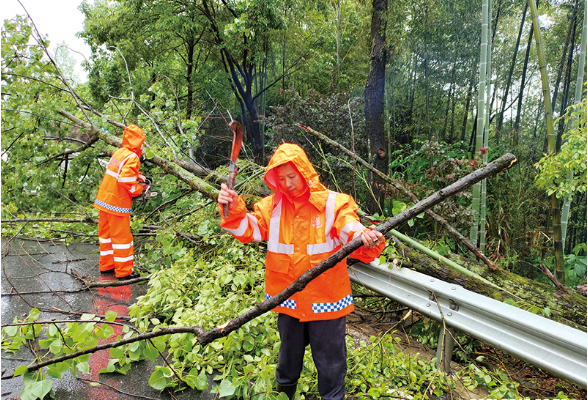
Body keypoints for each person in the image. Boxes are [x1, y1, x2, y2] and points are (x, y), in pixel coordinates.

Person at [218, 143, 384, 400]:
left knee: (331, 367)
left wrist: (363, 235)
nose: (287, 183)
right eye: (281, 178)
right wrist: (232, 207)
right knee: (288, 363)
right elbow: (246, 230)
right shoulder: (270, 207)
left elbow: (349, 226)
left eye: (292, 177)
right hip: (288, 301)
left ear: (304, 172)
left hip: (327, 301)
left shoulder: (333, 204)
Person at [93, 124, 147, 280]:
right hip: (117, 204)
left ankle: (107, 266)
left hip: (105, 201)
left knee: (106, 236)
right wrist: (138, 189)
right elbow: (124, 179)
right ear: (138, 143)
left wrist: (138, 176)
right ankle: (124, 272)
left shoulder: (120, 152)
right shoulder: (133, 157)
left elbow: (120, 172)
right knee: (122, 238)